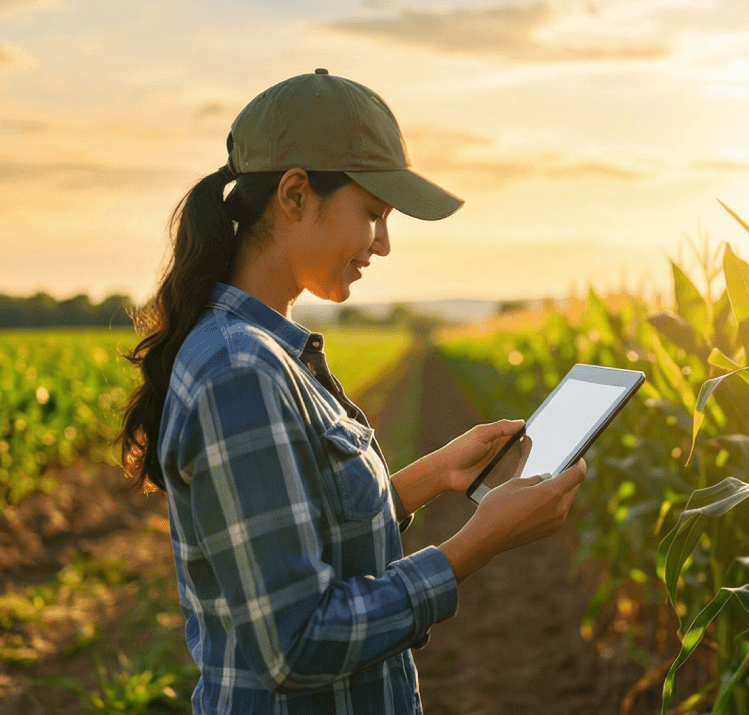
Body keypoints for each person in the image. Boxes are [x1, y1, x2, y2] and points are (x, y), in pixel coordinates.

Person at [117, 68, 586, 714]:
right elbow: (297, 642)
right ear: (294, 195)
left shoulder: (264, 352)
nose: (383, 245)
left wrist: (435, 475)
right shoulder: (241, 371)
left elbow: (304, 533)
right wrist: (473, 546)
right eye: (372, 214)